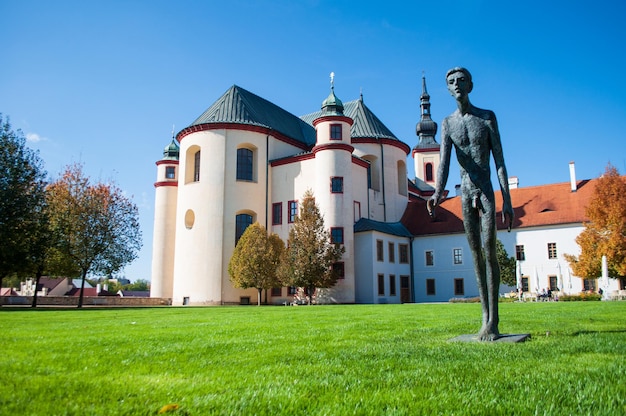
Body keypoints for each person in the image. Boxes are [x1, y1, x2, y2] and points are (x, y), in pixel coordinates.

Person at [427, 67, 514, 341]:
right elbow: (444, 163)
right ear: (448, 89)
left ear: (470, 86)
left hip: (486, 190)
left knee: (489, 251)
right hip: (465, 192)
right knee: (475, 255)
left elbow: (499, 161)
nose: (457, 86)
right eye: (452, 82)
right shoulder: (448, 124)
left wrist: (507, 200)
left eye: (462, 81)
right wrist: (438, 192)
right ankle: (484, 318)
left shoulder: (486, 118)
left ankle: (494, 321)